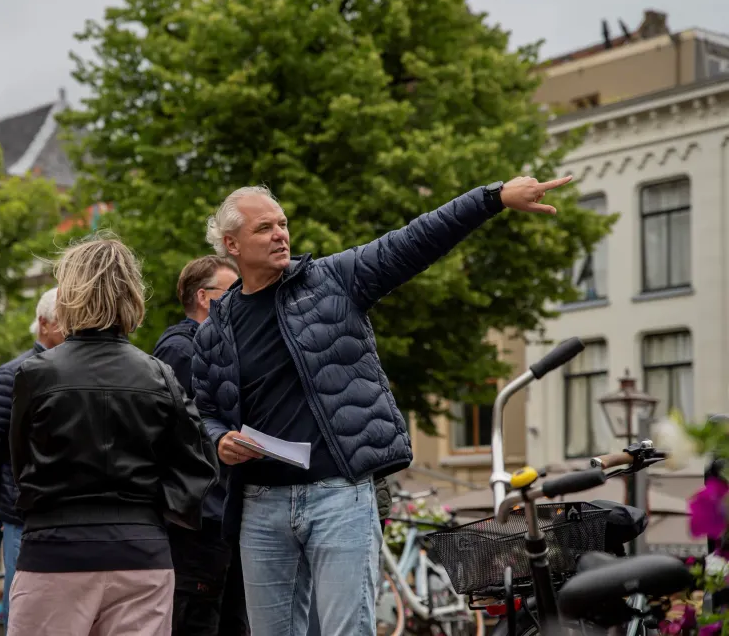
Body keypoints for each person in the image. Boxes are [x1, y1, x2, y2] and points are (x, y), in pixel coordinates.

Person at [191, 176, 574, 635]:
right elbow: (205, 411)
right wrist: (219, 440)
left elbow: (414, 239)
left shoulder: (331, 280)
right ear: (231, 244)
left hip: (338, 496)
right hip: (260, 506)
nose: (280, 234)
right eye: (264, 228)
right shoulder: (215, 330)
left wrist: (491, 198)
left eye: (283, 223)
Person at [8, 233, 220, 636]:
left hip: (56, 549)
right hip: (141, 551)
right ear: (132, 295)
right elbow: (200, 464)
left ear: (71, 292)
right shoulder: (159, 374)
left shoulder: (36, 374)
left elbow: (22, 464)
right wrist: (155, 510)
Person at [153, 255, 247, 636]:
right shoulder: (181, 351)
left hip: (220, 515)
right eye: (233, 291)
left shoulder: (214, 348)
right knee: (199, 621)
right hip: (200, 520)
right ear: (205, 298)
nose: (243, 299)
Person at [0, 286, 64, 626]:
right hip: (23, 520)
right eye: (66, 321)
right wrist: (10, 504)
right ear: (43, 324)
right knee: (27, 619)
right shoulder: (9, 377)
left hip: (60, 519)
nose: (75, 329)